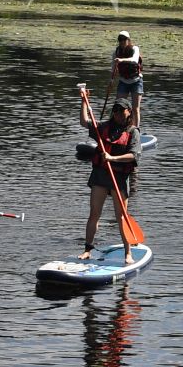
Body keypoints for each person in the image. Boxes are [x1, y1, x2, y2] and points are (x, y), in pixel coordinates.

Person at [78, 93, 139, 259]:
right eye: (116, 111)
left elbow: (133, 155)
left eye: (122, 111)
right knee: (94, 214)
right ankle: (87, 250)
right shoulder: (104, 127)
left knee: (121, 217)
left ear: (129, 112)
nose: (118, 114)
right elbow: (84, 122)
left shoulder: (133, 133)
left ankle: (128, 252)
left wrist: (113, 158)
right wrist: (84, 101)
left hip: (118, 179)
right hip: (100, 176)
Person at [109, 31, 146, 129]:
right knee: (118, 107)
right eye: (120, 39)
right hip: (123, 82)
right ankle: (114, 128)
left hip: (136, 81)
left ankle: (136, 130)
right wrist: (111, 82)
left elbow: (134, 60)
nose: (122, 41)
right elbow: (113, 70)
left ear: (128, 40)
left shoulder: (135, 49)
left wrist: (121, 60)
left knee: (135, 108)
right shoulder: (116, 52)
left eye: (124, 39)